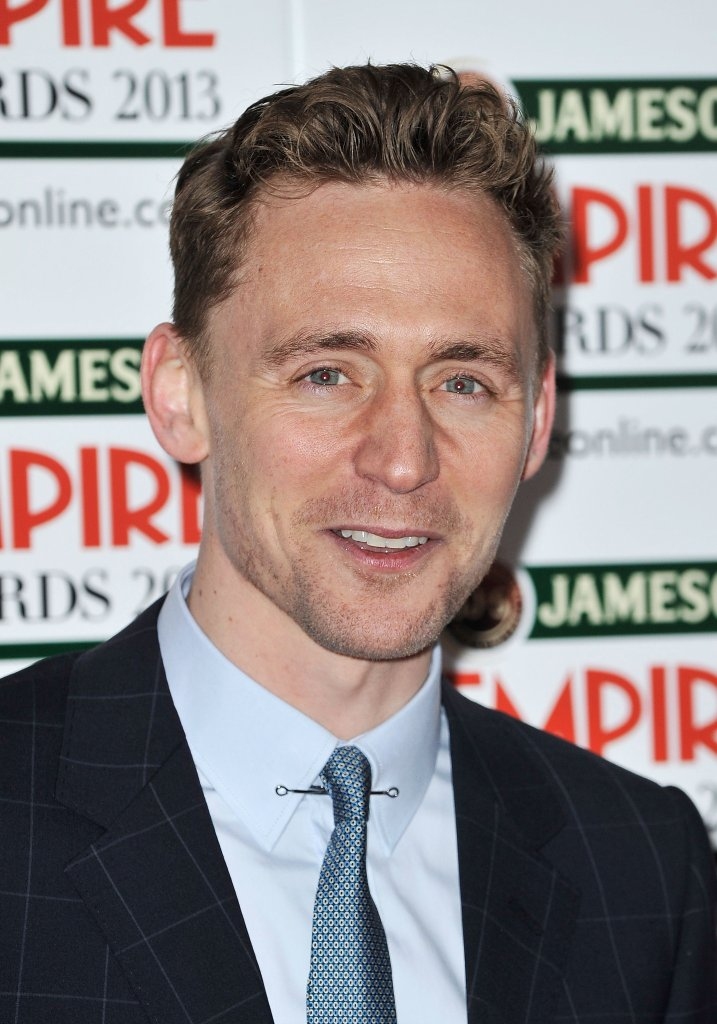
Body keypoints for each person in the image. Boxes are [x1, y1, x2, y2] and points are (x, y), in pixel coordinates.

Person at [1, 64, 715, 1024]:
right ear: (180, 394)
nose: (403, 460)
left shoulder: (640, 868)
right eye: (326, 374)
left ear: (538, 419)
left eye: (462, 382)